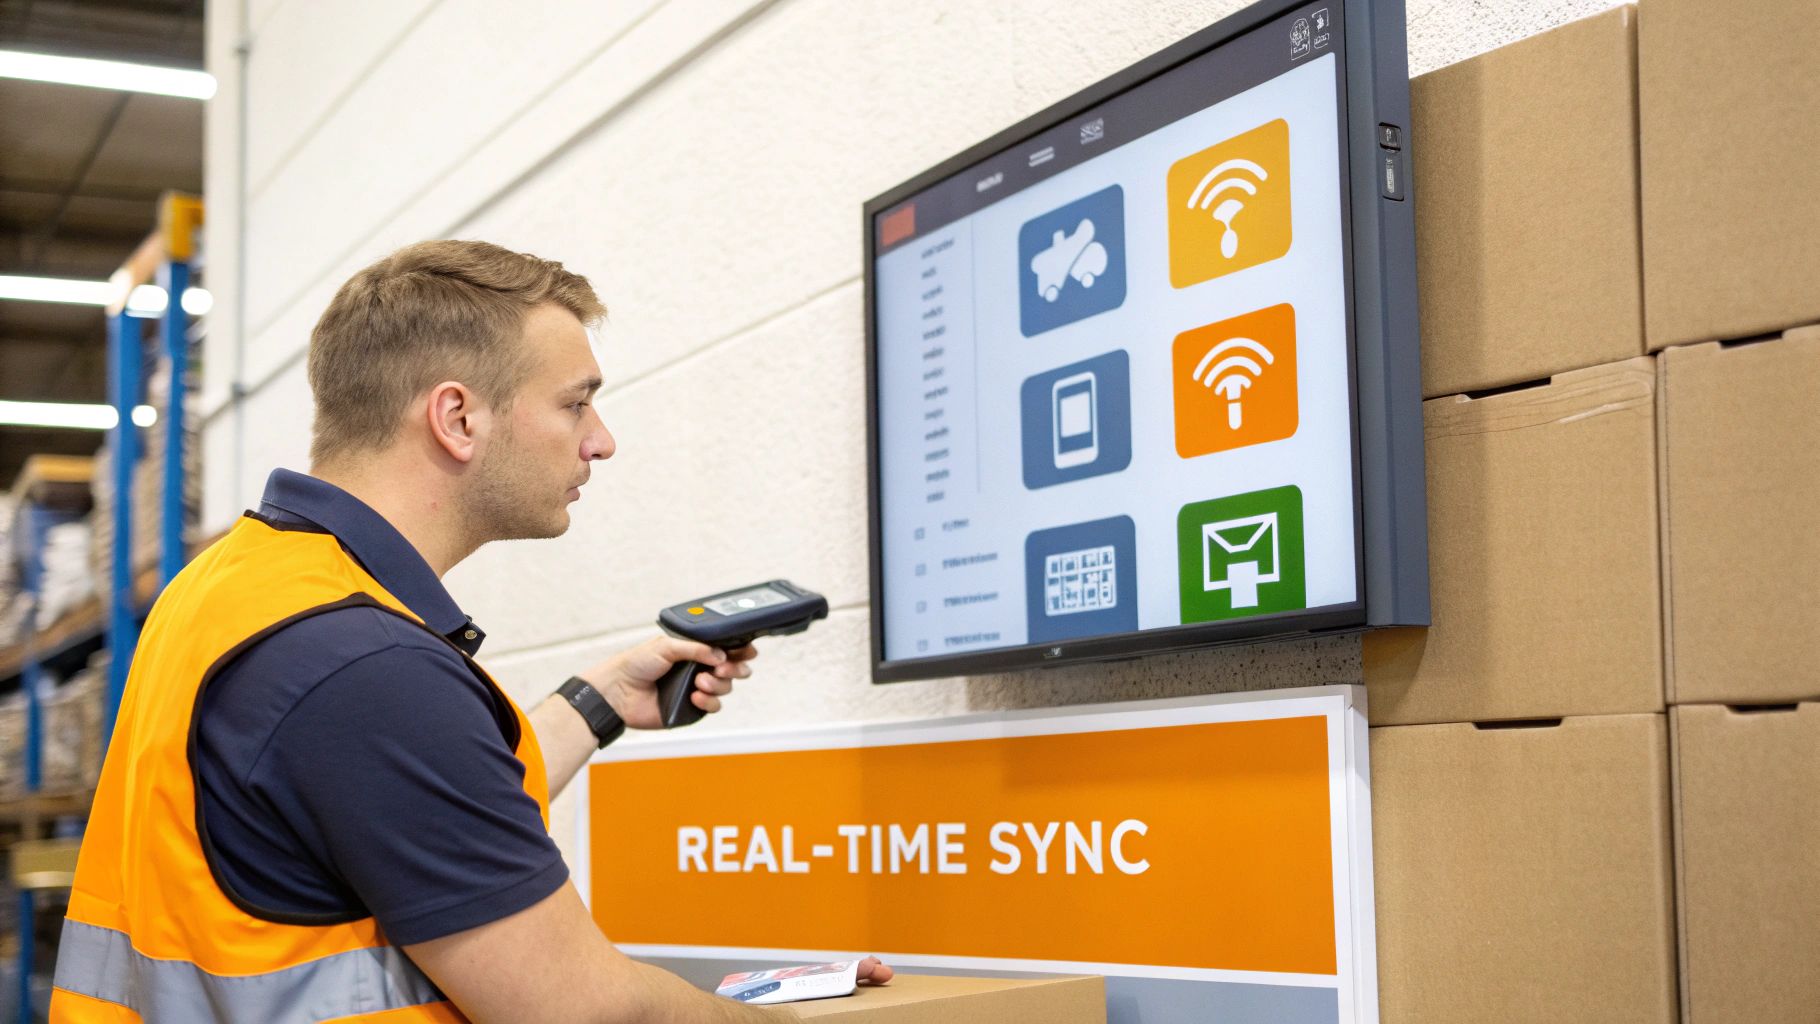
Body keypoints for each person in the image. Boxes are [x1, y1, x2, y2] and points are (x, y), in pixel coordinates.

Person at [50, 240, 891, 1022]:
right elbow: (578, 1007)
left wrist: (598, 701)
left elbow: (402, 809)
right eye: (576, 403)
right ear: (457, 418)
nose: (601, 441)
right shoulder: (360, 667)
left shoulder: (242, 581)